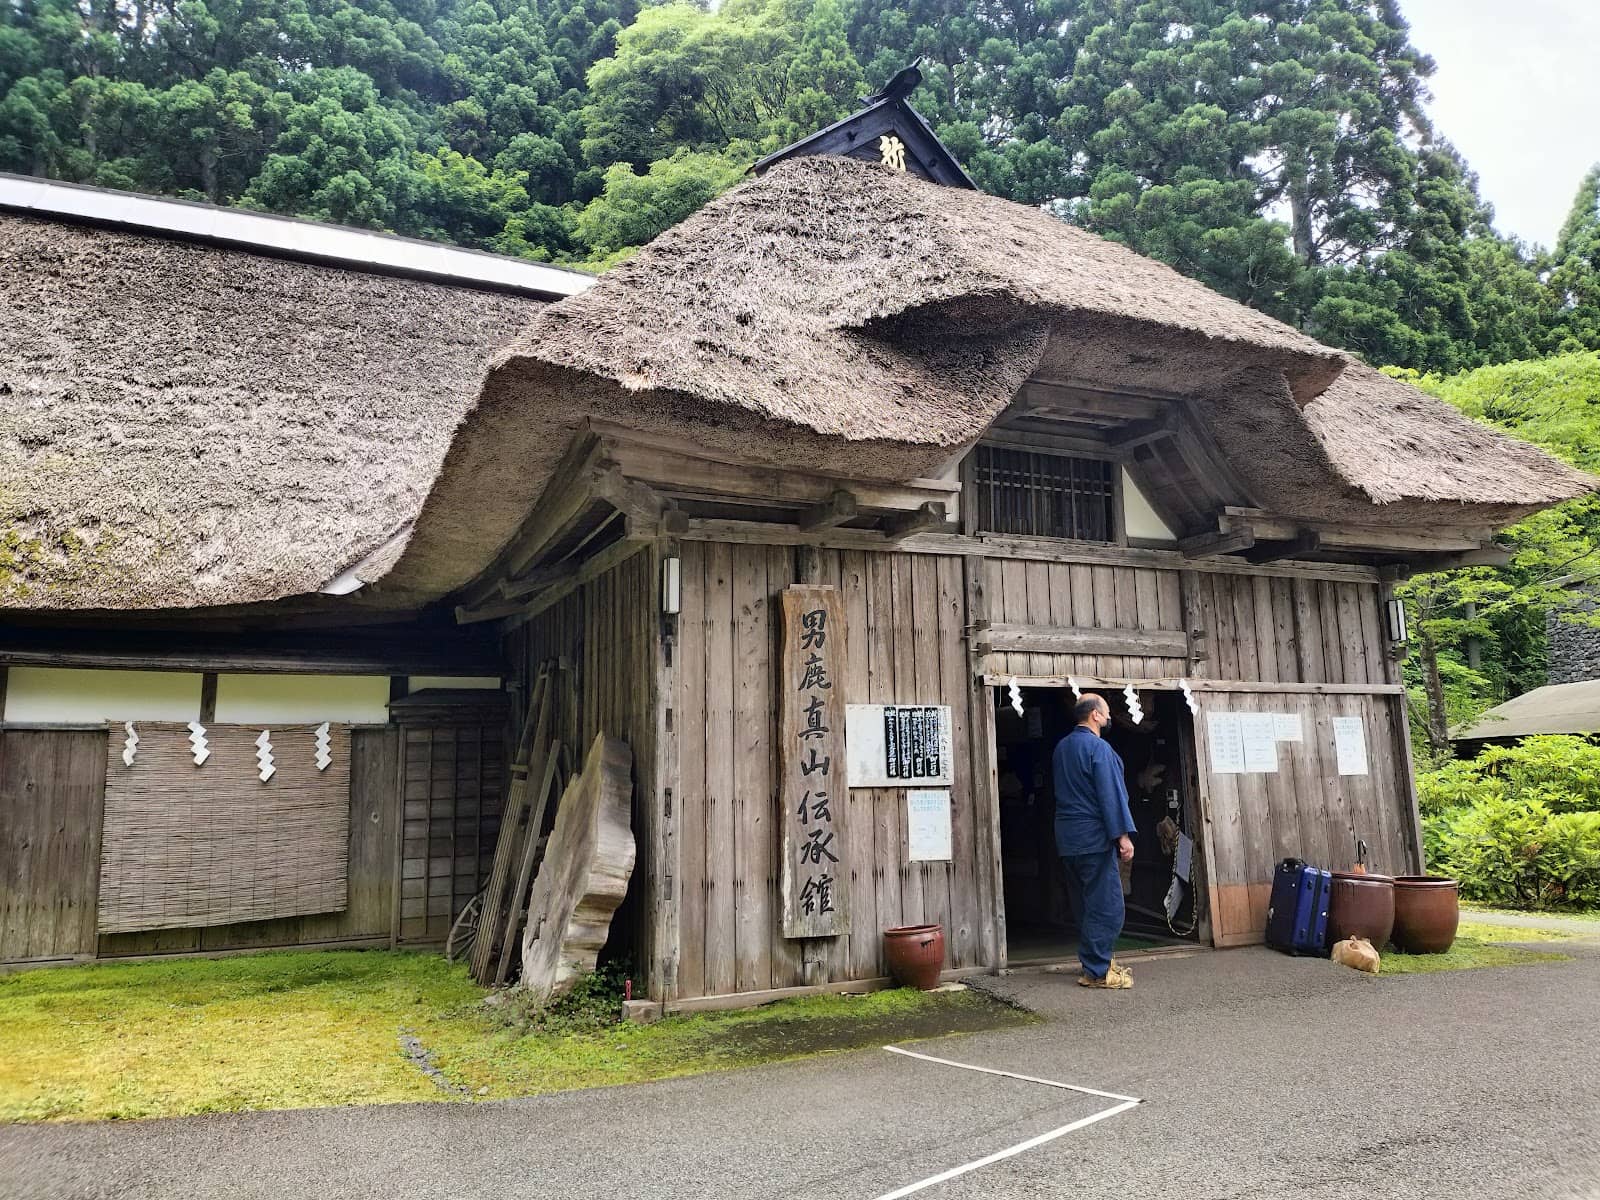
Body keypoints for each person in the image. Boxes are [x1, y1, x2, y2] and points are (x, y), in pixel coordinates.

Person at [1053, 693, 1137, 989]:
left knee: (1085, 905)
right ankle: (1098, 971)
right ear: (1095, 716)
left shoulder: (1061, 748)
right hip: (1094, 838)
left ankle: (1094, 963)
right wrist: (1122, 836)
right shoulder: (1098, 748)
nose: (1110, 716)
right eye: (1108, 711)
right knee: (1108, 906)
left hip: (1068, 838)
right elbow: (1110, 794)